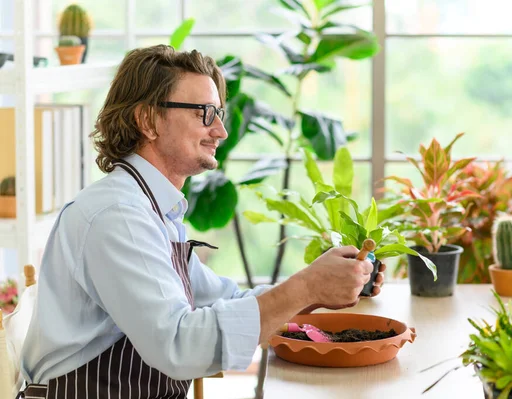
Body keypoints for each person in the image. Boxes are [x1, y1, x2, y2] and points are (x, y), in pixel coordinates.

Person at [19, 45, 385, 398]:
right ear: (147, 120)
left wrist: (321, 288)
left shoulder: (151, 208)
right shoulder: (118, 216)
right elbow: (178, 345)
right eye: (203, 113)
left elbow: (227, 300)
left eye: (218, 114)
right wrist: (305, 288)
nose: (221, 132)